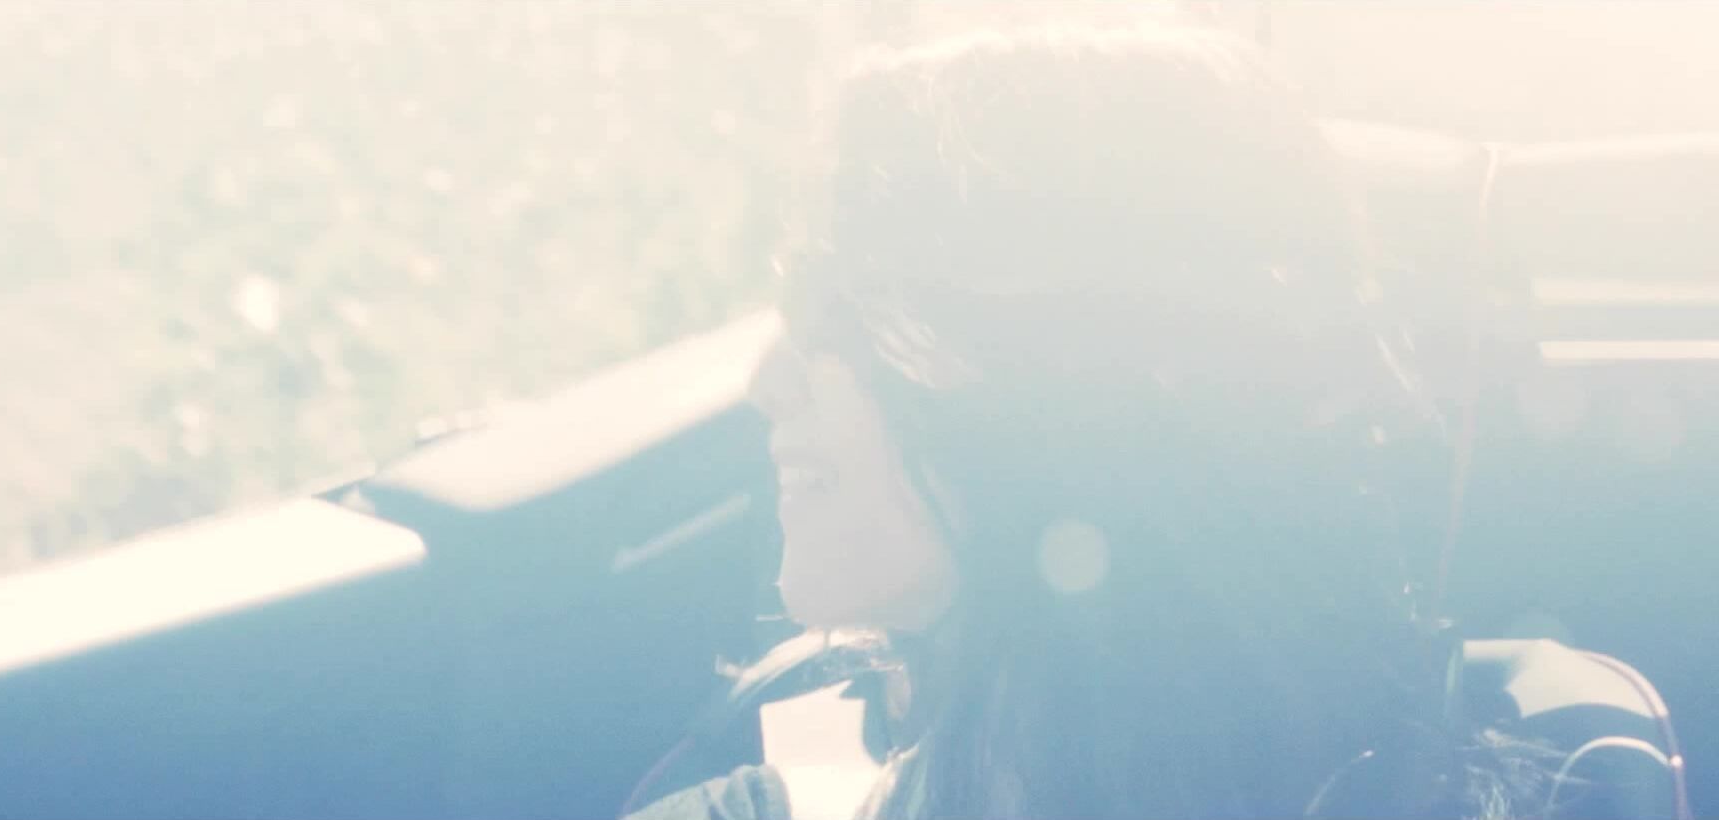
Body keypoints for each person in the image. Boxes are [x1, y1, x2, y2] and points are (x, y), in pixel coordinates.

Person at [626, 21, 1674, 820]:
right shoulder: (753, 794)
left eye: (840, 311)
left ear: (1070, 373)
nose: (767, 378)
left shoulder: (1546, 772)